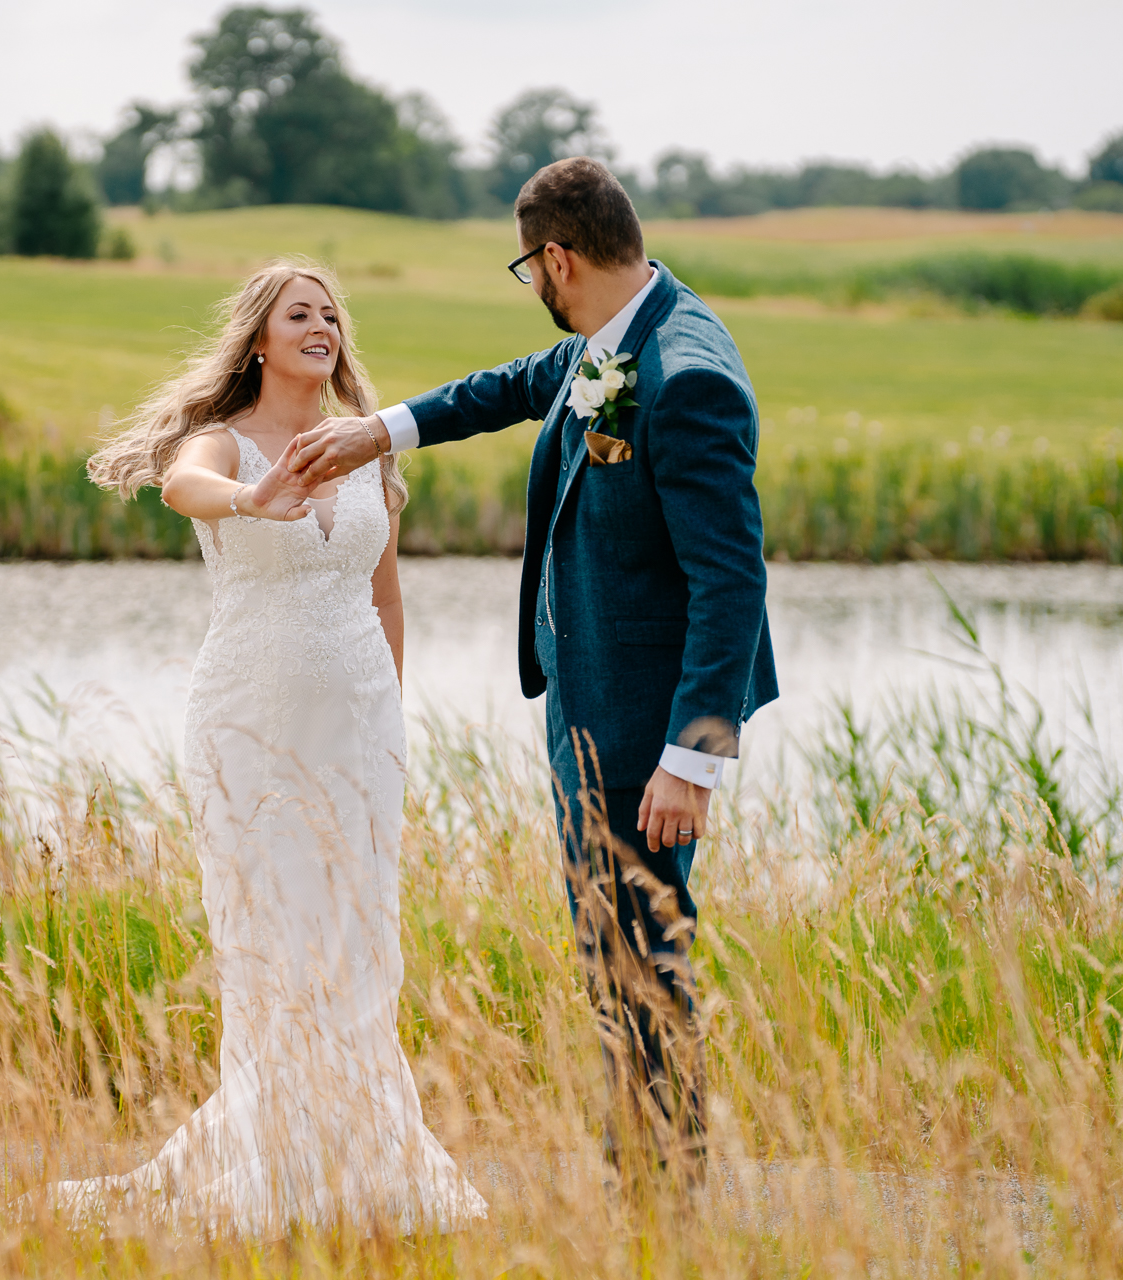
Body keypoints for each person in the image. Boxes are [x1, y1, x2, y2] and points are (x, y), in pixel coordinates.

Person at [288, 158, 778, 1179]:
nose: (535, 288)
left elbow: (732, 582)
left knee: (644, 948)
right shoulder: (615, 339)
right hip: (589, 701)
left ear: (556, 256)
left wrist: (695, 757)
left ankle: (664, 1179)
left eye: (530, 270)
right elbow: (507, 387)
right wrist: (376, 432)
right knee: (613, 942)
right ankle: (636, 1159)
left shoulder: (684, 374)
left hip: (649, 731)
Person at [75, 259, 487, 1235]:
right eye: (300, 312)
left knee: (356, 940)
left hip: (358, 728)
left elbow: (386, 594)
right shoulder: (221, 444)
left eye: (332, 313)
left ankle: (364, 1156)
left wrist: (390, 710)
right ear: (259, 338)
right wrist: (251, 502)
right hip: (250, 727)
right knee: (274, 940)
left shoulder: (368, 450)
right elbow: (181, 486)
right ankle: (276, 1160)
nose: (323, 325)